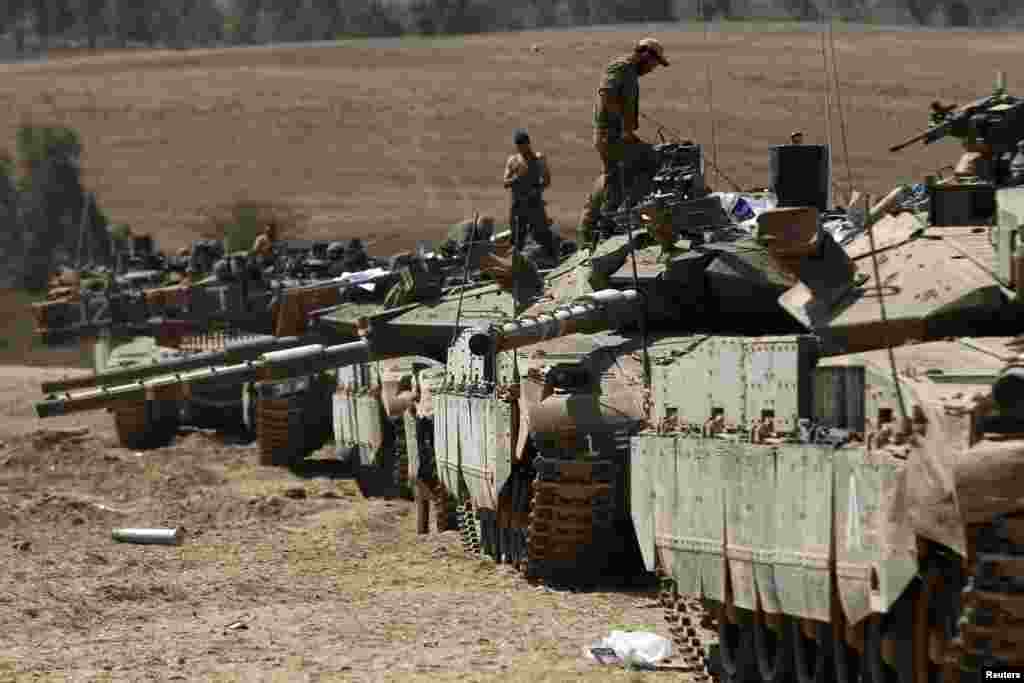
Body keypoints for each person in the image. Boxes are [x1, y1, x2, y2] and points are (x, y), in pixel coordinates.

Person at [594, 37, 669, 212]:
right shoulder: (621, 67)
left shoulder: (630, 73)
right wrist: (623, 128)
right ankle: (629, 212)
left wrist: (629, 132)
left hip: (617, 136)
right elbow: (606, 94)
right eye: (653, 63)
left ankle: (615, 218)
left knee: (619, 183)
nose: (652, 69)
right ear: (644, 54)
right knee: (654, 160)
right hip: (610, 136)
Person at [504, 129, 558, 260]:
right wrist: (517, 178)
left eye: (524, 144)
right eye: (519, 145)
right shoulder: (513, 160)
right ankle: (515, 263)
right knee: (517, 238)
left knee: (543, 235)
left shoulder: (539, 159)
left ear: (529, 143)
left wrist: (536, 190)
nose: (522, 148)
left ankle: (551, 259)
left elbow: (547, 181)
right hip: (517, 206)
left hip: (534, 204)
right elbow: (505, 182)